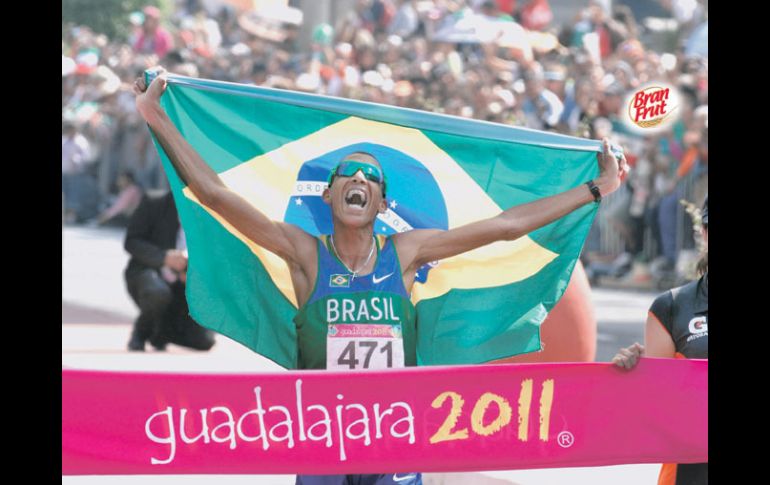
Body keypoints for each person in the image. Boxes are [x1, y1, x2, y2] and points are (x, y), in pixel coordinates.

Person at [134, 69, 627, 485]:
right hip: (321, 426)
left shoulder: (407, 252)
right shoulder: (304, 252)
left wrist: (594, 188)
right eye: (349, 172)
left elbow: (506, 226)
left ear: (383, 204)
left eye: (372, 178)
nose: (360, 180)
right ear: (327, 196)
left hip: (392, 426)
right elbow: (215, 195)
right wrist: (157, 119)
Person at [612, 196, 708, 485]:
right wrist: (630, 377)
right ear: (704, 233)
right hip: (691, 470)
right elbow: (653, 411)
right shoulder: (673, 306)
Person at [124, 190, 216, 352]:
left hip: (183, 284)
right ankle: (141, 332)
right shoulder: (154, 202)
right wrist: (163, 258)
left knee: (204, 341)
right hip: (149, 274)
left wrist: (194, 272)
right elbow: (131, 241)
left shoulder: (209, 210)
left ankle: (161, 332)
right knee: (157, 291)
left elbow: (215, 253)